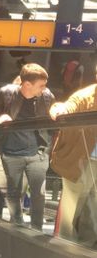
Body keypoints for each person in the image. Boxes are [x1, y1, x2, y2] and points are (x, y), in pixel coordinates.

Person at [0, 63, 55, 231]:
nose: (44, 88)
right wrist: (0, 120)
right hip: (11, 153)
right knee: (13, 191)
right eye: (41, 85)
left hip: (38, 153)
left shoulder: (47, 96)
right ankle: (16, 224)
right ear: (27, 84)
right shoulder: (6, 94)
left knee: (39, 194)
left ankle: (36, 229)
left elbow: (52, 124)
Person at [50, 68, 97, 245]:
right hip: (81, 160)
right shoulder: (85, 96)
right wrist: (58, 108)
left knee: (93, 208)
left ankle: (89, 247)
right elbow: (67, 107)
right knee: (71, 207)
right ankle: (65, 247)